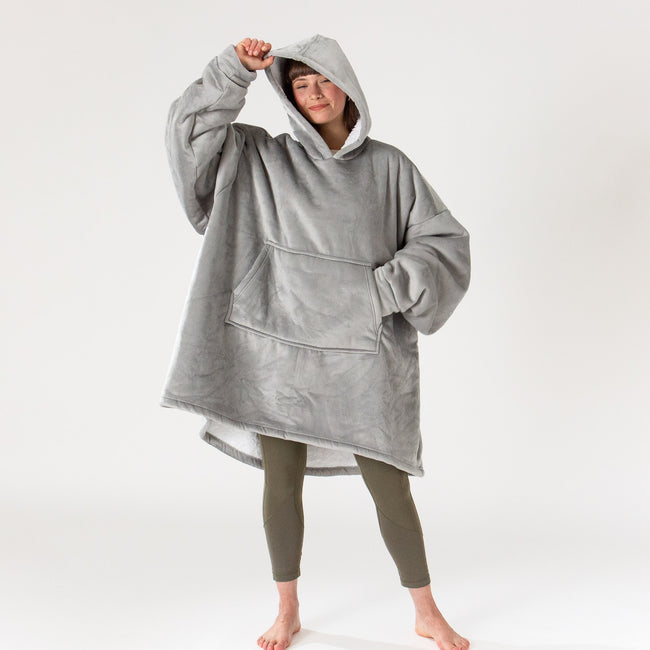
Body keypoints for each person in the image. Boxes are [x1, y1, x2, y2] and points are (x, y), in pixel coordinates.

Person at [161, 34, 471, 650]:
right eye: (300, 84)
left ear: (346, 85)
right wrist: (232, 72)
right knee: (281, 484)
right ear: (289, 96)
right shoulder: (260, 156)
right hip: (279, 349)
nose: (314, 93)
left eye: (323, 79)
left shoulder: (390, 167)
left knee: (390, 485)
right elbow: (188, 134)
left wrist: (384, 288)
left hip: (363, 352)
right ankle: (287, 609)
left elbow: (445, 242)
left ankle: (426, 610)